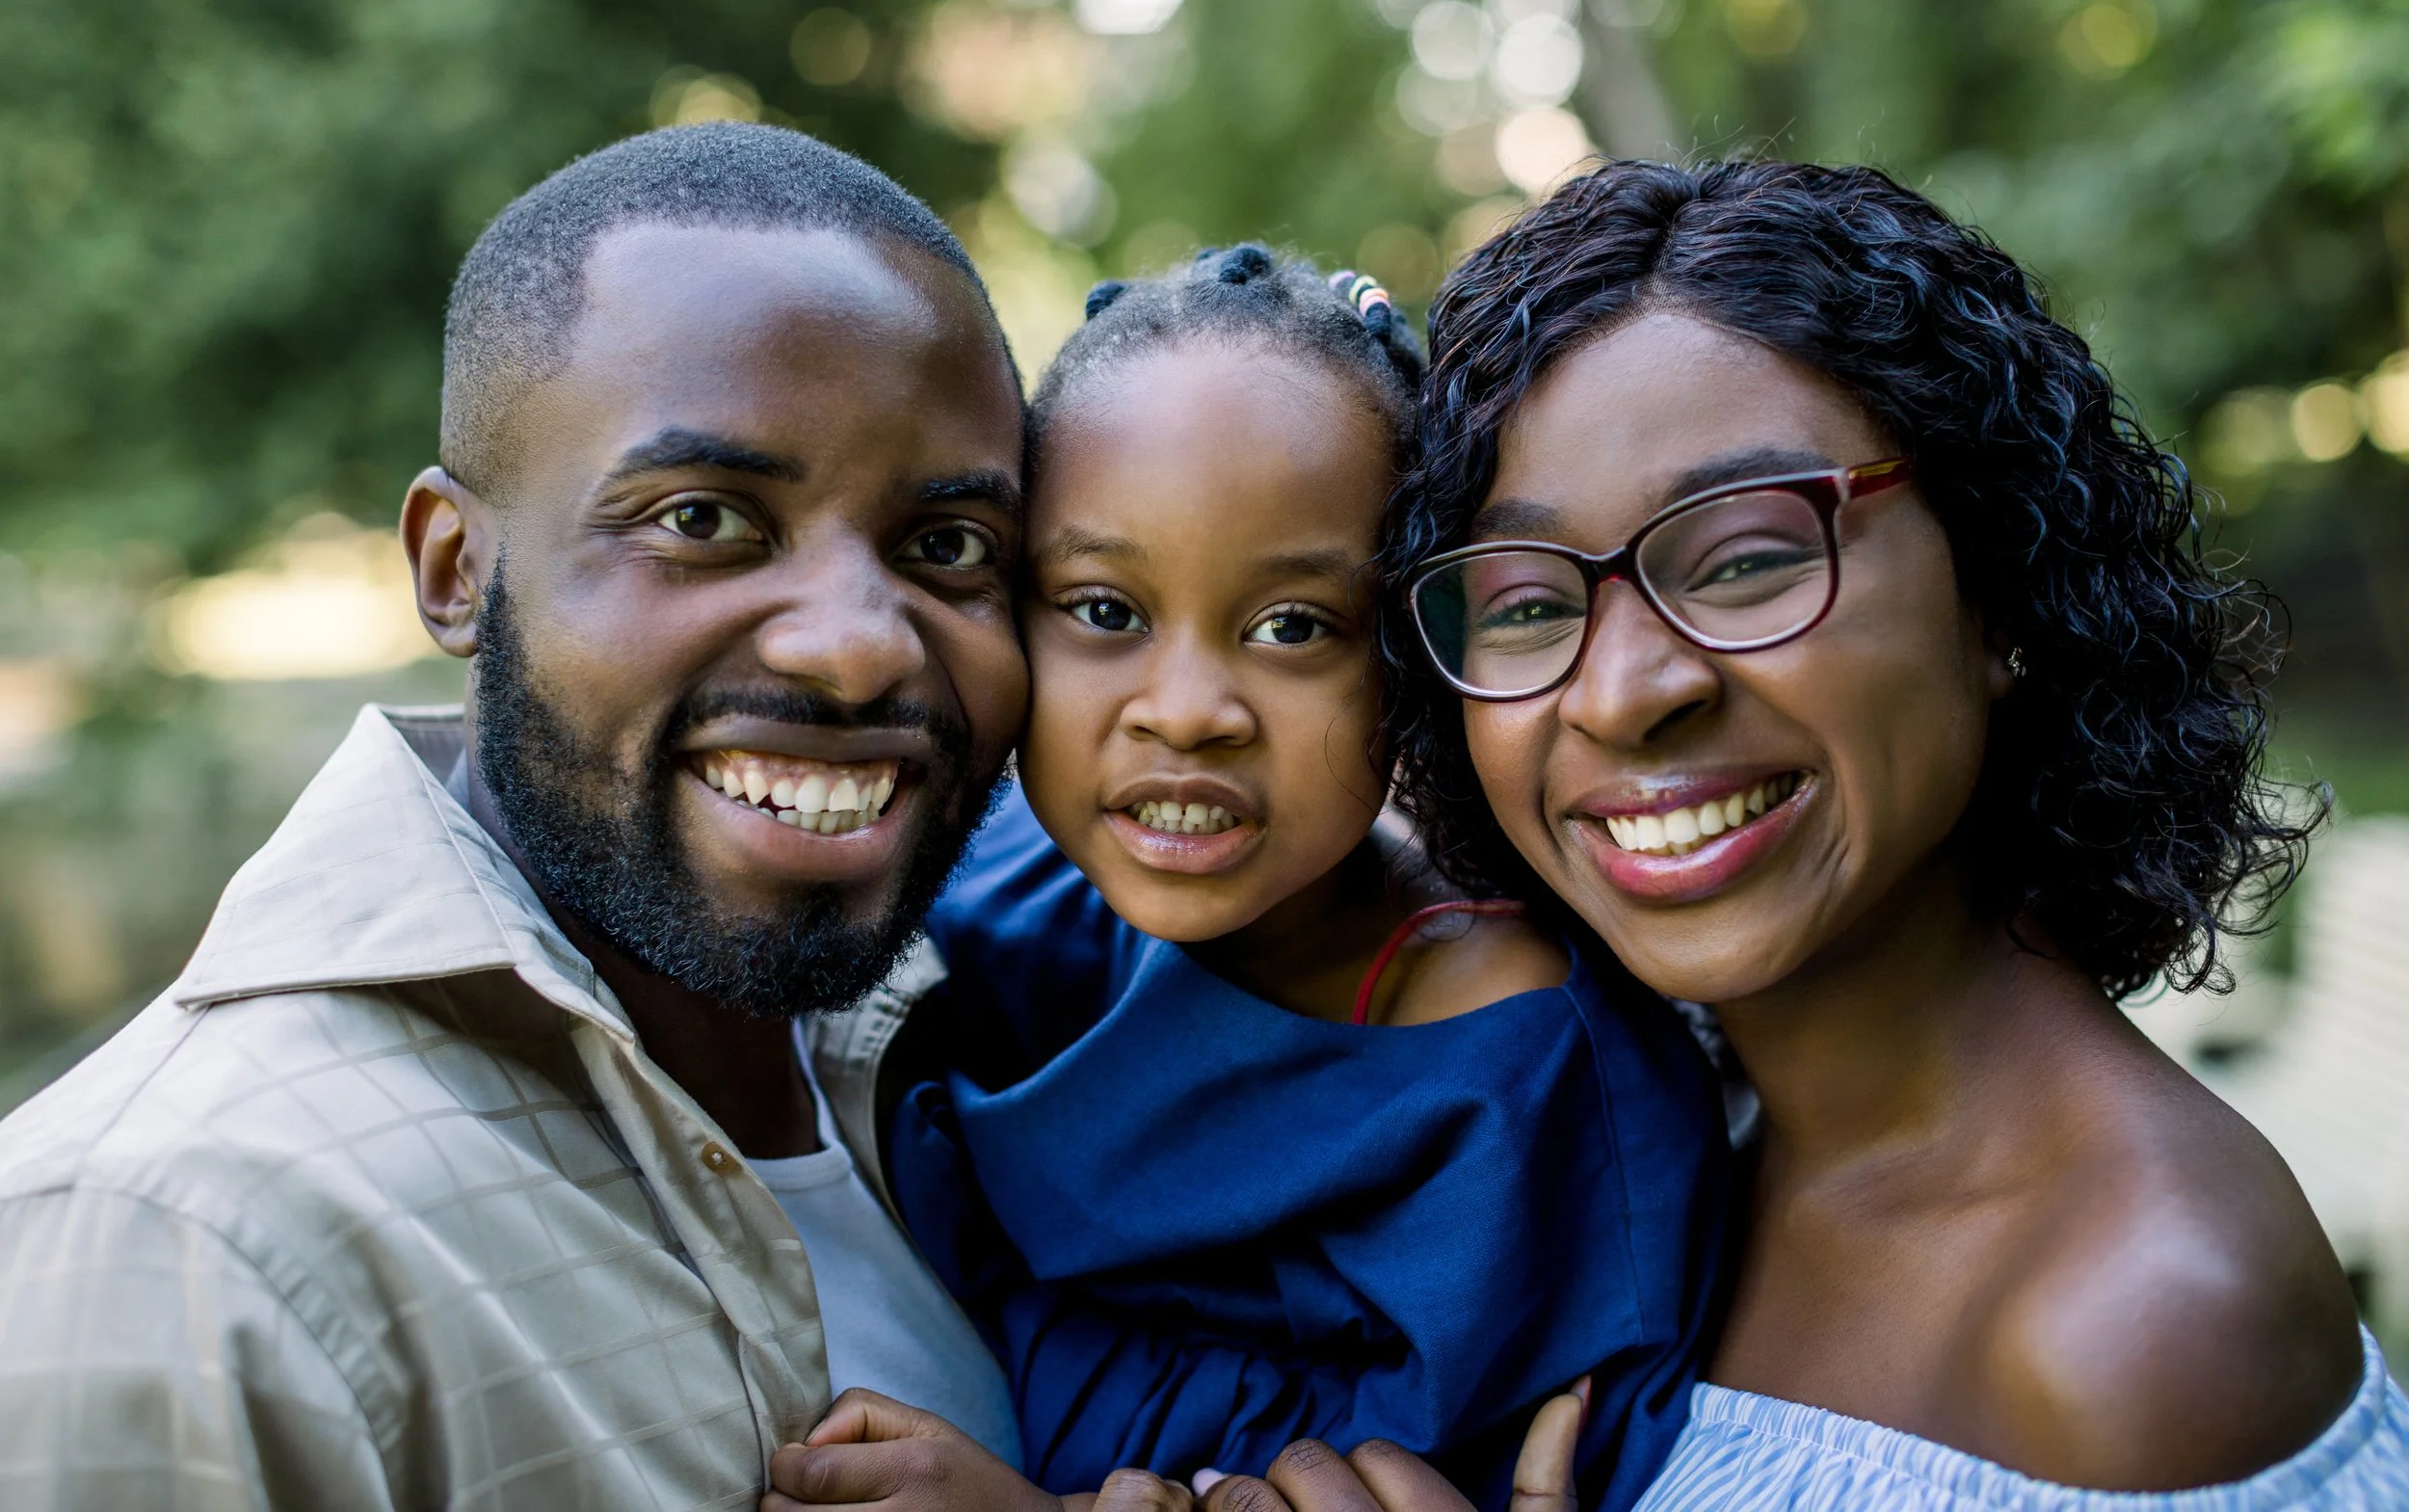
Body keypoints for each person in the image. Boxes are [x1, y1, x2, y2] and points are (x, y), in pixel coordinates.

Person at [1168, 160, 2409, 1511]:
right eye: (1526, 601)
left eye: (1748, 556)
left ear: (1999, 586)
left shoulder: (2143, 1329)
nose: (1627, 690)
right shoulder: (1659, 1131)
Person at [0, 121, 1033, 1507]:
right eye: (705, 519)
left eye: (950, 547)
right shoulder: (174, 1249)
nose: (856, 650)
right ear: (454, 568)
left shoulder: (1010, 1062)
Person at [875, 245, 1729, 1510]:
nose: (1186, 712)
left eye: (1292, 628)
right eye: (1105, 610)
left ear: (1411, 665)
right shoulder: (1000, 888)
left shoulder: (1521, 1079)